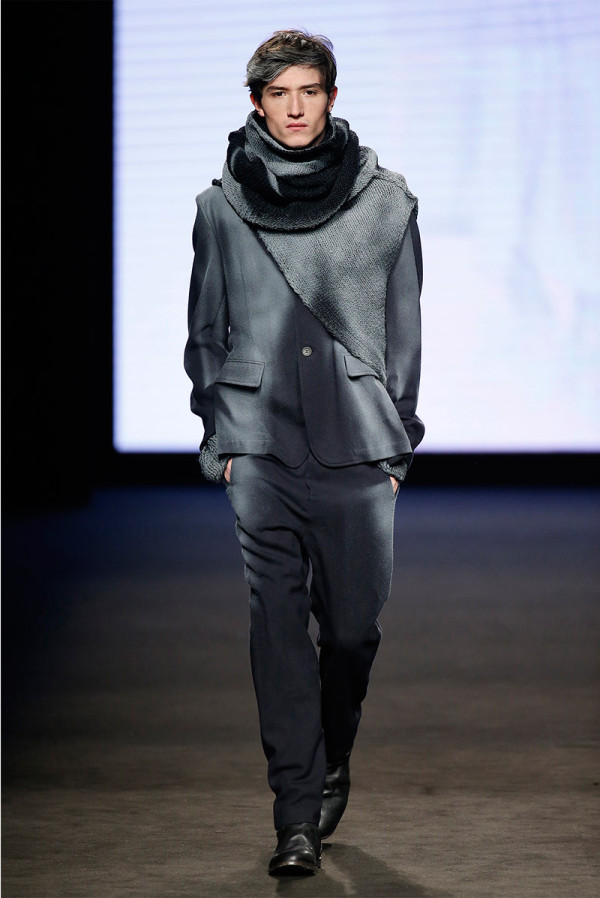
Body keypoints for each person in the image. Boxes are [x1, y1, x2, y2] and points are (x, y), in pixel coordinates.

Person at [184, 29, 424, 877]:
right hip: (261, 447)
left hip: (359, 446)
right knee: (277, 629)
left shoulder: (384, 202)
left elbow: (403, 332)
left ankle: (331, 758)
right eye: (279, 93)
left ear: (330, 96)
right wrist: (224, 443)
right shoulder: (220, 206)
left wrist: (397, 447)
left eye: (309, 91)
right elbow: (205, 334)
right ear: (256, 102)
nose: (294, 108)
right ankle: (295, 815)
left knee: (352, 633)